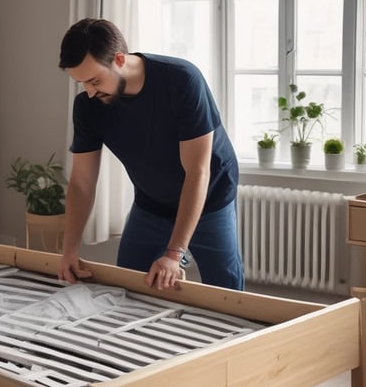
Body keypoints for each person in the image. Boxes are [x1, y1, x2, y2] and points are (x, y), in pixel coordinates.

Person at [57, 18, 243, 291]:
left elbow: (197, 172)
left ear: (119, 59)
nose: (89, 91)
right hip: (152, 201)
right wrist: (69, 250)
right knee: (128, 288)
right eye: (81, 82)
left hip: (210, 198)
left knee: (227, 292)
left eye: (95, 80)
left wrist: (174, 253)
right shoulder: (88, 105)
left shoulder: (181, 80)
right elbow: (82, 182)